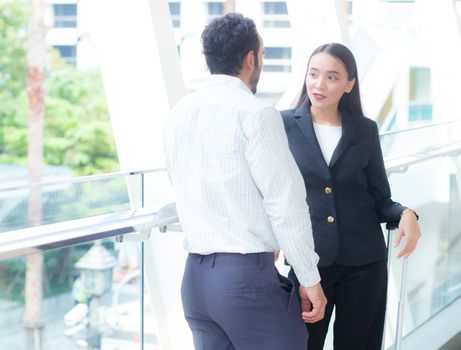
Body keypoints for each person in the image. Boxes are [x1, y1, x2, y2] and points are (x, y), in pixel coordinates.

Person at [164, 12, 327, 350]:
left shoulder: (179, 112)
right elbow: (286, 203)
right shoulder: (255, 113)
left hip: (195, 282)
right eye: (263, 55)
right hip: (244, 282)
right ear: (250, 58)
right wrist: (310, 278)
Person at [280, 43, 422, 350]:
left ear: (349, 84)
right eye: (313, 74)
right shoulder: (283, 125)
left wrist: (406, 213)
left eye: (332, 77)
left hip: (364, 265)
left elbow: (380, 198)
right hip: (309, 264)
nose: (319, 84)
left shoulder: (365, 130)